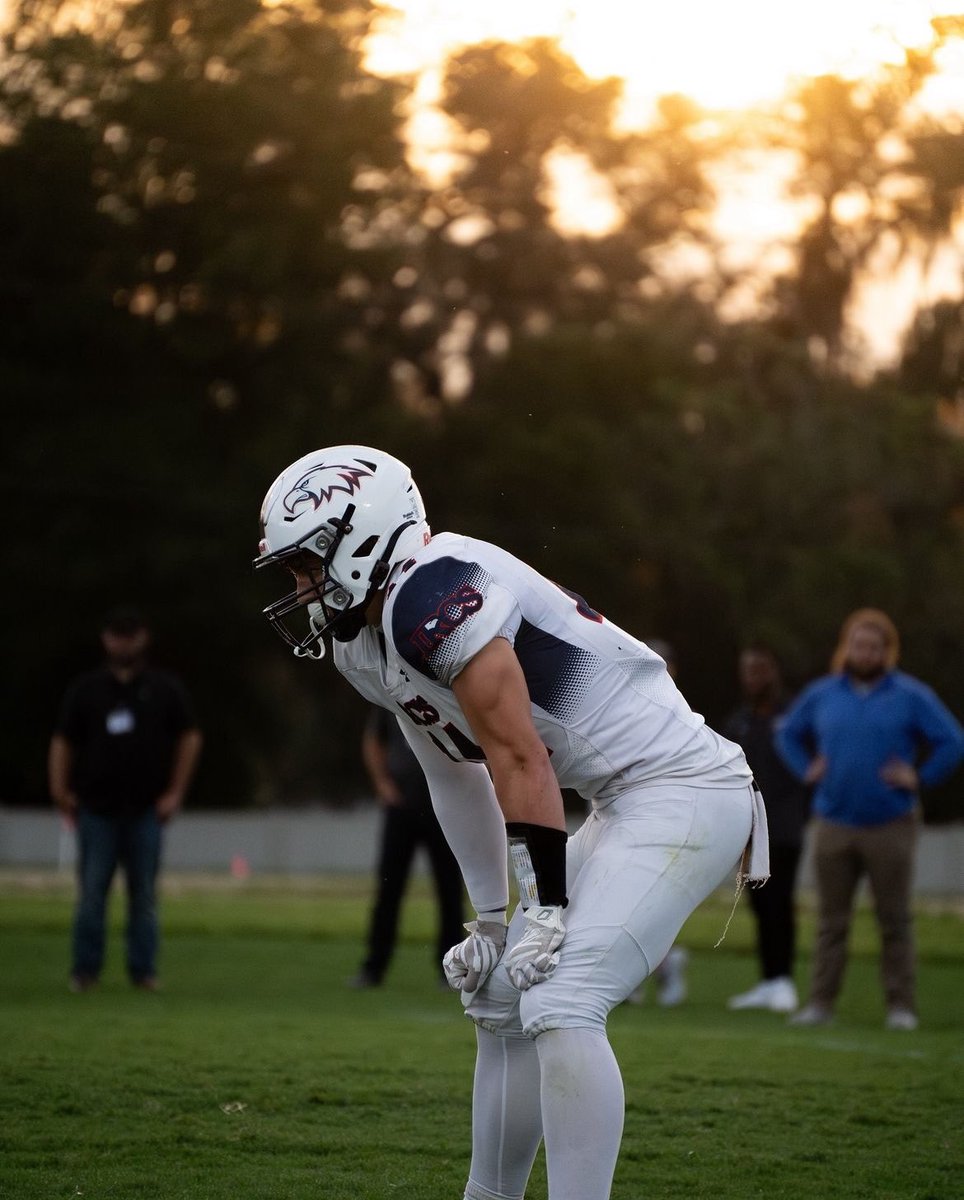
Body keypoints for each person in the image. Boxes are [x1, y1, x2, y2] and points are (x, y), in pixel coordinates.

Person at [254, 445, 768, 1200]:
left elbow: (519, 758)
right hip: (618, 797)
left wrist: (548, 904)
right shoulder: (363, 639)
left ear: (362, 538)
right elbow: (453, 772)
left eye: (307, 564)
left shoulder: (434, 593)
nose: (300, 587)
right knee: (499, 996)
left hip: (683, 784)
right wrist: (493, 920)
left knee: (564, 998)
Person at [776, 608, 964, 1032]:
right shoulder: (823, 693)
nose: (866, 652)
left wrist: (920, 776)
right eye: (859, 644)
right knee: (830, 923)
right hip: (833, 823)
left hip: (890, 824)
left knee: (894, 920)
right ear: (848, 647)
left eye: (874, 646)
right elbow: (787, 733)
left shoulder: (911, 695)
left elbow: (952, 741)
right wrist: (806, 767)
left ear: (886, 651)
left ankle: (901, 1008)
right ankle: (820, 1005)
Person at [48, 607, 203, 992]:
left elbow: (190, 737)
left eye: (129, 634)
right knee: (91, 894)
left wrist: (175, 793)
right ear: (106, 638)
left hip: (145, 809)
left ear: (143, 638)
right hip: (96, 808)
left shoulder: (164, 689)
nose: (123, 642)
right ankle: (85, 971)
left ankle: (143, 971)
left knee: (145, 897)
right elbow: (62, 741)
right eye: (117, 634)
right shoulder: (87, 690)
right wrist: (59, 789)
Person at [352, 704, 466, 988]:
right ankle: (374, 967)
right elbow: (373, 740)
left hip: (443, 810)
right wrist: (382, 784)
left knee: (449, 889)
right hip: (400, 807)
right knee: (389, 888)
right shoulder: (390, 695)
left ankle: (449, 968)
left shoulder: (445, 696)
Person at [723, 644, 811, 1013]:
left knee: (779, 902)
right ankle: (769, 979)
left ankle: (784, 980)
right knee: (760, 903)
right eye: (747, 670)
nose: (753, 677)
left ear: (774, 671)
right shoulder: (739, 722)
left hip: (785, 826)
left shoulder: (794, 718)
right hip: (749, 829)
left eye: (760, 669)